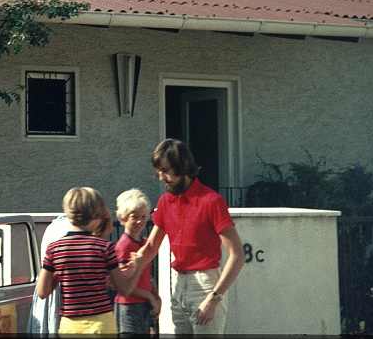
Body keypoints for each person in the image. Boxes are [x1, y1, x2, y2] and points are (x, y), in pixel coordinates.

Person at [140, 138, 246, 335]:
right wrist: (127, 275)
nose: (161, 177)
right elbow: (150, 248)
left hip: (206, 284)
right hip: (178, 285)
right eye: (159, 171)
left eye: (166, 171)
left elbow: (238, 255)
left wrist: (214, 298)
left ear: (184, 166)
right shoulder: (165, 202)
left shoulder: (211, 201)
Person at [36, 187, 148, 335]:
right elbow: (125, 290)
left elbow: (42, 292)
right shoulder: (104, 248)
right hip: (101, 323)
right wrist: (139, 266)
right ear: (97, 215)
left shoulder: (54, 248)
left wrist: (63, 271)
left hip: (70, 326)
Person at [113, 188, 161, 335]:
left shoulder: (145, 243)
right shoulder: (124, 245)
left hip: (143, 305)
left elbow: (147, 275)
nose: (140, 221)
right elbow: (122, 282)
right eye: (134, 217)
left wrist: (157, 297)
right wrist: (150, 297)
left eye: (143, 216)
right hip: (128, 306)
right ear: (123, 217)